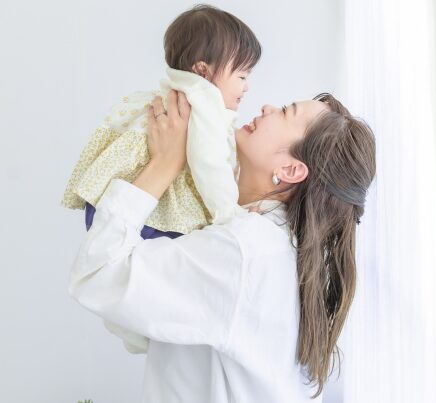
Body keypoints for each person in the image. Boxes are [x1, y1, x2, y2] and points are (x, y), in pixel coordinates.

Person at [68, 89, 376, 402]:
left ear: (291, 170)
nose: (268, 107)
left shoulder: (243, 251)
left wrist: (165, 163)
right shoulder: (279, 248)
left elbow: (97, 274)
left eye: (285, 112)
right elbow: (144, 319)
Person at [61, 4, 261, 239]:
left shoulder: (164, 97)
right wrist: (230, 214)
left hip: (116, 199)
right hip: (155, 216)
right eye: (242, 76)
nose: (246, 87)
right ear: (202, 71)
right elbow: (210, 162)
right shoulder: (202, 100)